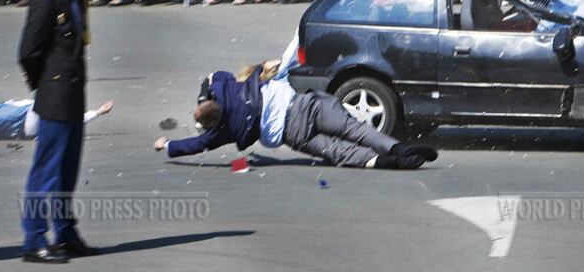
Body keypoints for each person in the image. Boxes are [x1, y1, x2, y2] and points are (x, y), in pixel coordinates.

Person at [154, 60, 437, 169]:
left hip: (293, 134)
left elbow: (195, 144)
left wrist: (167, 145)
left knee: (339, 152)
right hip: (305, 106)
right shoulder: (225, 87)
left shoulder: (220, 132)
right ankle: (399, 147)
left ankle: (390, 162)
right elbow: (214, 74)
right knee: (356, 129)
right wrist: (204, 93)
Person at [18, 0, 98, 263]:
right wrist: (45, 86)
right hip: (54, 94)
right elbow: (28, 51)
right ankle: (34, 239)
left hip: (73, 93)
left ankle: (64, 232)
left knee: (67, 169)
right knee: (45, 170)